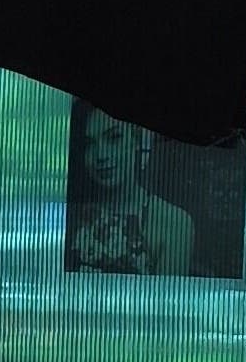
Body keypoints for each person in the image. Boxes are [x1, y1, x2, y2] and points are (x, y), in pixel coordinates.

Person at [68, 102, 195, 275]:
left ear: (135, 139)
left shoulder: (175, 223)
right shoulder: (68, 216)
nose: (101, 155)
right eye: (88, 144)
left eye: (114, 138)